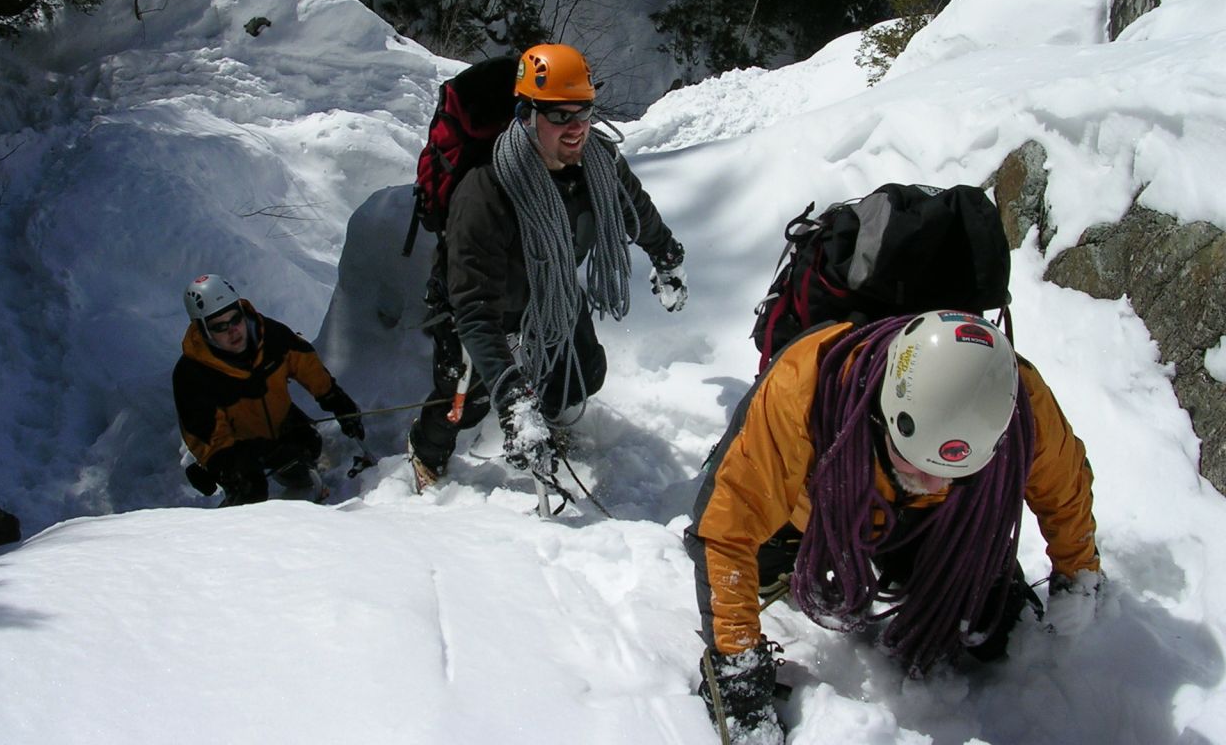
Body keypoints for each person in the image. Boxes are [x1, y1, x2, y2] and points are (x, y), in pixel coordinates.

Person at [686, 311, 1103, 744]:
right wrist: (737, 663)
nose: (935, 481)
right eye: (919, 464)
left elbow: (1064, 487)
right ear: (886, 414)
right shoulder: (804, 386)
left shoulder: (1017, 402)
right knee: (738, 572)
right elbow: (727, 528)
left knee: (996, 631)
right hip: (810, 514)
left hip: (932, 524)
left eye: (952, 473)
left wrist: (1078, 572)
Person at [408, 43, 687, 490]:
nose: (576, 128)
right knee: (466, 402)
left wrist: (667, 255)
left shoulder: (599, 162)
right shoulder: (487, 188)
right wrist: (513, 399)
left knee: (585, 373)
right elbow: (473, 306)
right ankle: (426, 452)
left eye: (584, 112)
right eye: (559, 115)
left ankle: (548, 422)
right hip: (482, 307)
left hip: (549, 292)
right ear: (526, 113)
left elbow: (635, 208)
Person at [173, 274, 363, 506]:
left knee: (307, 449)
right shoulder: (193, 374)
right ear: (203, 330)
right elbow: (205, 434)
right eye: (220, 326)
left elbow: (307, 366)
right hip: (235, 445)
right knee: (250, 487)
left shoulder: (271, 337)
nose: (233, 330)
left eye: (235, 319)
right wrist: (222, 466)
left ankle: (285, 468)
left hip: (279, 422)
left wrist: (337, 401)